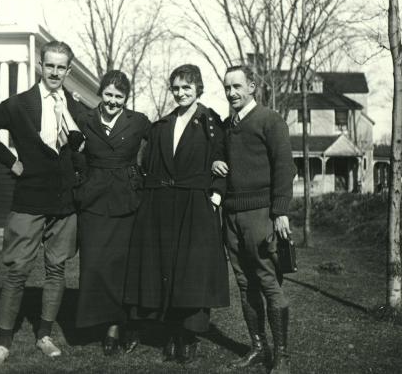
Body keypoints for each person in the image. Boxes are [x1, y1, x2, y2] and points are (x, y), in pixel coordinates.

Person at [0, 41, 84, 368]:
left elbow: (84, 146)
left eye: (61, 67)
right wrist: (11, 160)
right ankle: (3, 342)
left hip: (64, 203)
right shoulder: (20, 104)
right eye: (50, 65)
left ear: (68, 71)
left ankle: (44, 335)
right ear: (40, 65)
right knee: (18, 269)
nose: (55, 72)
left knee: (56, 269)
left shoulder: (74, 106)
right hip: (29, 199)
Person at [124, 64, 229, 364]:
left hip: (196, 205)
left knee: (192, 273)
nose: (181, 93)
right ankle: (172, 332)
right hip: (163, 205)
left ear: (198, 88)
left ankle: (189, 335)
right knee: (166, 269)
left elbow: (222, 160)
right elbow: (148, 163)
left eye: (187, 87)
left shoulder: (211, 123)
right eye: (176, 88)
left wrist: (216, 197)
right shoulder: (162, 125)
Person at [212, 65, 295, 374]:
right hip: (231, 216)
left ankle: (282, 356)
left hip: (261, 215)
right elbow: (217, 154)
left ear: (252, 87)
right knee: (245, 284)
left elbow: (285, 167)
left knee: (269, 283)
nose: (232, 92)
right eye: (227, 87)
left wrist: (281, 211)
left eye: (237, 86)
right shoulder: (226, 125)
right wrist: (216, 160)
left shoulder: (270, 120)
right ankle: (259, 348)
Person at [73, 70, 150, 355]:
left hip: (127, 200)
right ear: (100, 93)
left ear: (126, 98)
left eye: (119, 96)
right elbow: (73, 152)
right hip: (93, 200)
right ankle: (103, 319)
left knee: (122, 268)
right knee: (94, 265)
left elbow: (160, 146)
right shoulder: (85, 119)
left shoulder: (138, 121)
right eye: (108, 94)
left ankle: (116, 326)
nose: (113, 101)